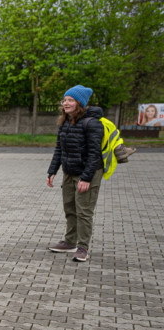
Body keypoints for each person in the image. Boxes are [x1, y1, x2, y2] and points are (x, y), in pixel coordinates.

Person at [47, 85, 104, 263]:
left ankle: (83, 247)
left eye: (70, 100)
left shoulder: (92, 123)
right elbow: (59, 149)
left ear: (79, 103)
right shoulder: (65, 121)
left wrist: (86, 178)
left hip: (88, 173)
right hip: (69, 172)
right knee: (70, 208)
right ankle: (70, 241)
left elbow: (95, 153)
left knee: (84, 211)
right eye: (65, 100)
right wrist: (52, 171)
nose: (66, 103)